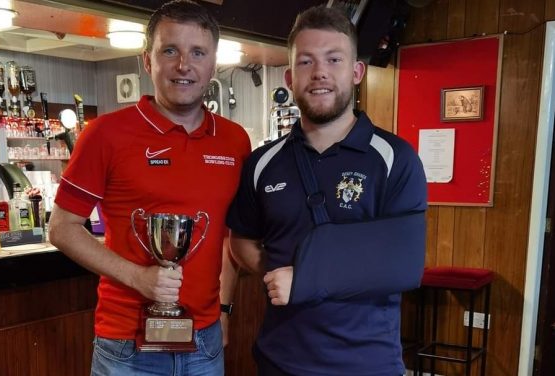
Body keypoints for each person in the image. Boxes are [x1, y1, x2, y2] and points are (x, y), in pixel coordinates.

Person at [48, 1, 251, 374]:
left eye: (198, 52)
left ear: (213, 63)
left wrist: (224, 309)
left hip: (204, 340)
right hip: (127, 345)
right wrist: (138, 277)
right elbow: (61, 228)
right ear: (147, 60)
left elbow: (228, 237)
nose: (183, 65)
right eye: (169, 50)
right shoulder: (105, 134)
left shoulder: (235, 141)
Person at [226, 4, 427, 376]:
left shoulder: (395, 159)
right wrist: (273, 272)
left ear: (356, 72)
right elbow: (241, 241)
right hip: (280, 360)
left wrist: (304, 280)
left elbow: (405, 265)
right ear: (289, 76)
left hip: (367, 364)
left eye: (333, 60)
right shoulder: (262, 164)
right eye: (306, 62)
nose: (319, 73)